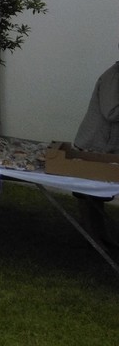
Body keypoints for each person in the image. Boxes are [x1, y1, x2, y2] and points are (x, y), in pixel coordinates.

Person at [73, 50, 119, 251]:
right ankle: (92, 239)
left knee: (97, 195)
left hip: (104, 146)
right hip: (93, 145)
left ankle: (101, 236)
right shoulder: (113, 77)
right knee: (88, 195)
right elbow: (111, 112)